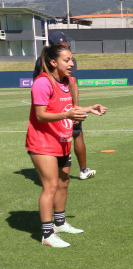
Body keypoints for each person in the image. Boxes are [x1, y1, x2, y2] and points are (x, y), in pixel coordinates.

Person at [27, 44, 107, 247]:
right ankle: (47, 235)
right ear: (53, 62)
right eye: (67, 60)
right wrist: (68, 115)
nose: (72, 64)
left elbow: (68, 108)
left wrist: (90, 108)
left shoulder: (69, 81)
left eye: (72, 60)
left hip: (62, 140)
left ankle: (59, 224)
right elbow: (40, 115)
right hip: (42, 142)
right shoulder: (42, 82)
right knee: (50, 186)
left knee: (64, 183)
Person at [33, 31, 96, 180]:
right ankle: (83, 170)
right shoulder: (65, 59)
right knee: (77, 134)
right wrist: (75, 108)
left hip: (47, 106)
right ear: (60, 43)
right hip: (63, 106)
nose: (67, 44)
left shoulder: (40, 59)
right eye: (65, 42)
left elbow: (36, 83)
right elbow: (72, 82)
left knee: (52, 136)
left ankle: (51, 172)